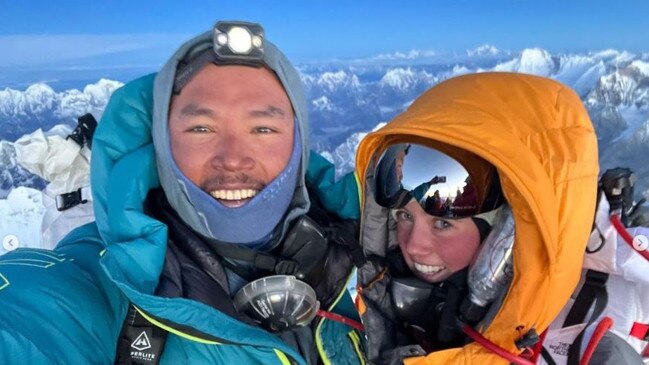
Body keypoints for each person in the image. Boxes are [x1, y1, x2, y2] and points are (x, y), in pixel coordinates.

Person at [0, 21, 365, 365]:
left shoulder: (343, 250)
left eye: (263, 128)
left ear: (298, 146)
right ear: (162, 146)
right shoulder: (102, 282)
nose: (233, 158)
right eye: (201, 128)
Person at [353, 72, 630, 364]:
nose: (413, 246)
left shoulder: (593, 356)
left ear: (507, 237)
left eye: (443, 224)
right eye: (404, 216)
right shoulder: (366, 311)